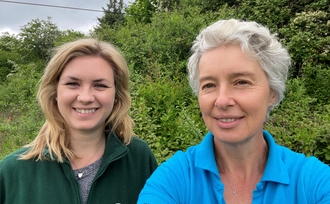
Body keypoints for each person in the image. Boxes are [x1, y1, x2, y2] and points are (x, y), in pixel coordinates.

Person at [137, 19, 330, 203]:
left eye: (241, 82)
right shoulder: (172, 181)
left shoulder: (313, 182)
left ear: (273, 92)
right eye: (209, 85)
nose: (222, 101)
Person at [0, 38, 158, 204]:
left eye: (100, 85)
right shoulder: (11, 172)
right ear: (55, 91)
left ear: (117, 96)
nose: (85, 98)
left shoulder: (139, 159)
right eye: (73, 83)